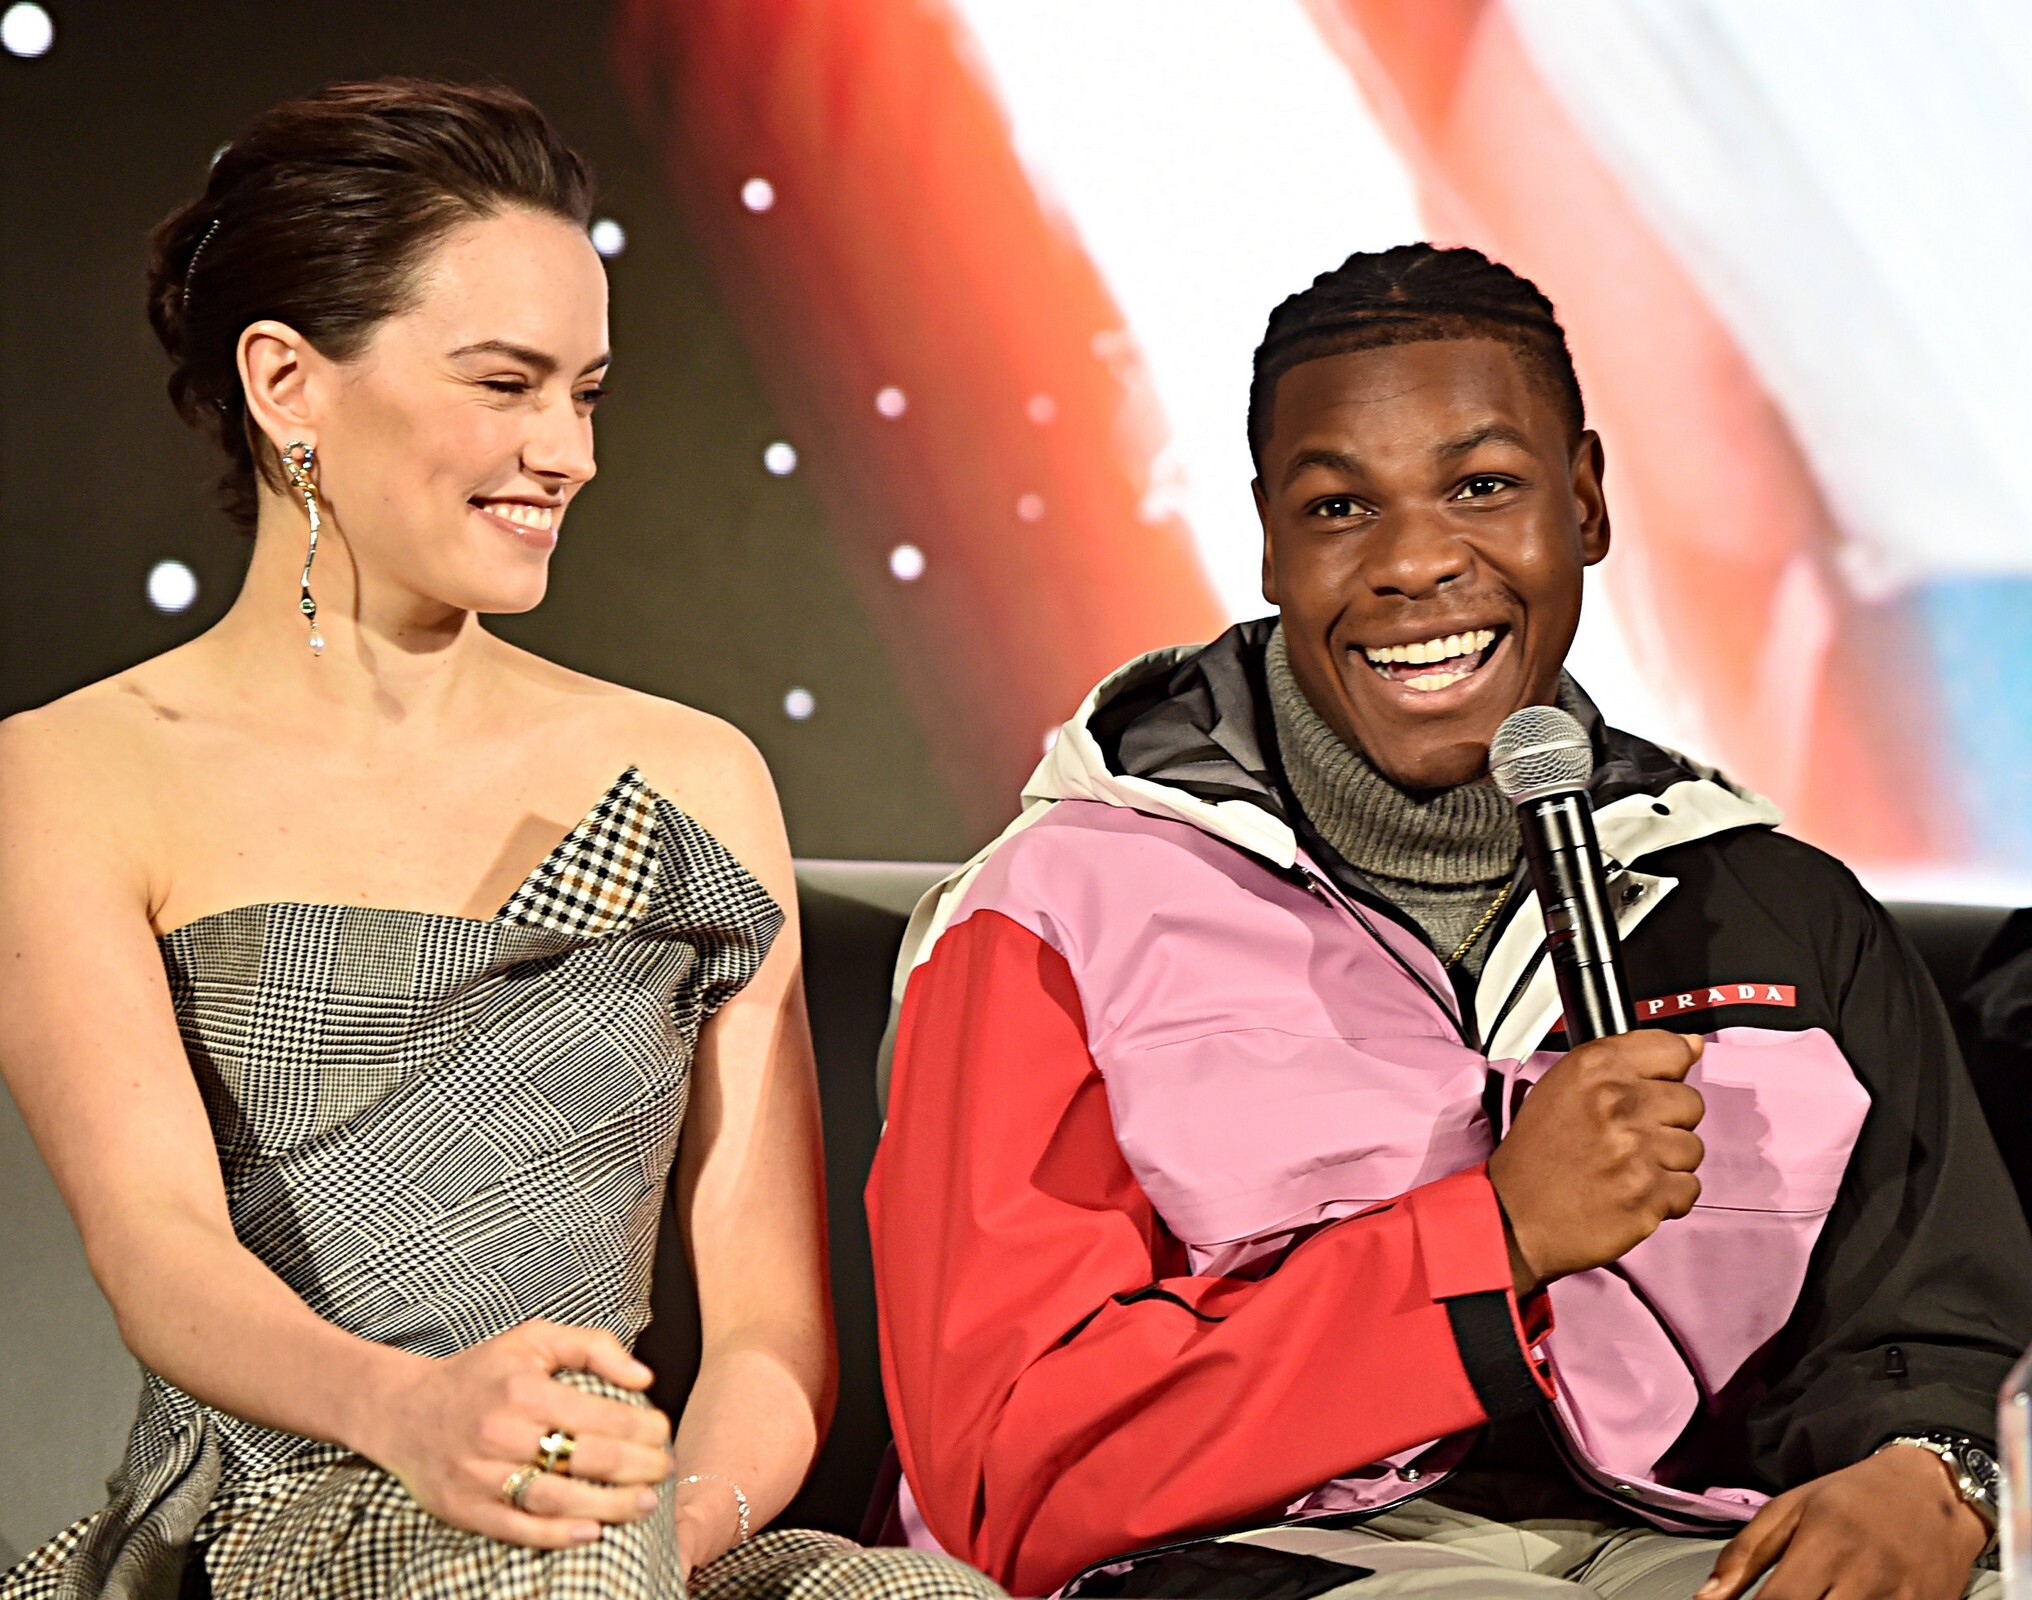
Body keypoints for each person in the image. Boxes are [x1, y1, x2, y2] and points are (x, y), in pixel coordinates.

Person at [867, 244, 2032, 1599]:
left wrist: (1933, 1474)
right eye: (1339, 506)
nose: (1416, 563)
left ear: (1584, 500)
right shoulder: (1051, 911)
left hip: (1680, 1549)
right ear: (1269, 541)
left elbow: (1937, 1334)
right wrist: (1493, 1237)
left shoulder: (1773, 908)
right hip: (1251, 1558)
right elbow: (1009, 1474)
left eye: (1483, 486)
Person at [0, 78, 1000, 1600]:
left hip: (628, 1531)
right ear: (287, 382)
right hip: (275, 1523)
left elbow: (770, 1338)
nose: (569, 451)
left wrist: (657, 1543)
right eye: (505, 383)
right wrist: (420, 1419)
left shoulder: (695, 773)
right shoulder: (73, 774)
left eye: (584, 393)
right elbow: (158, 1250)